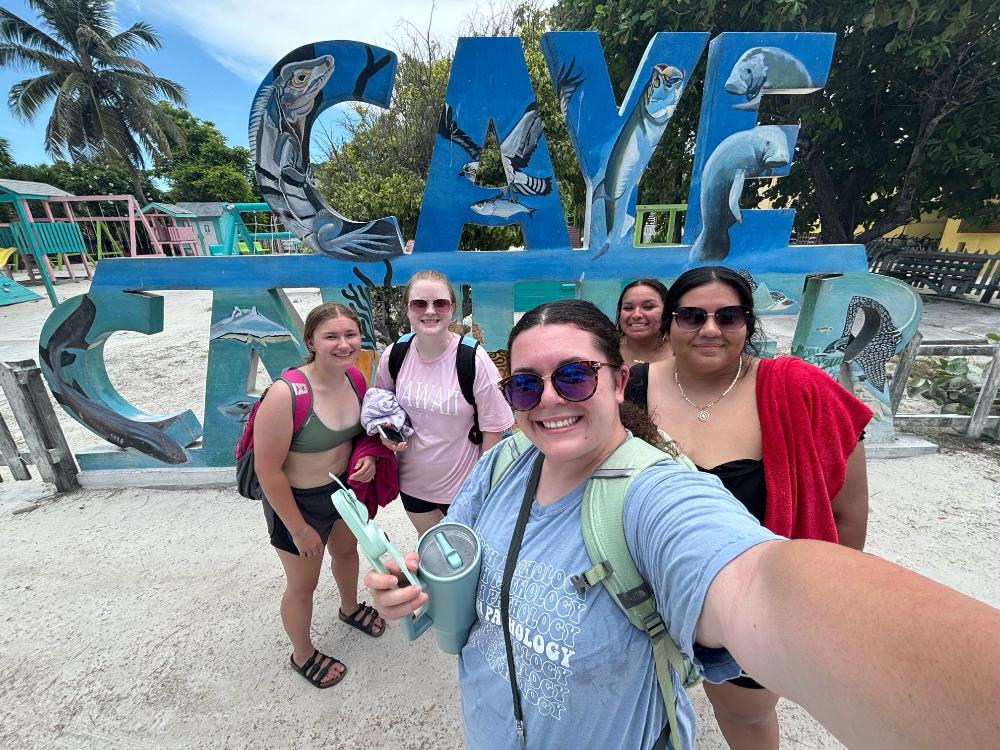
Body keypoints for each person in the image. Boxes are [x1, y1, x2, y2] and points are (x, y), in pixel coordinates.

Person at [364, 299, 1000, 750]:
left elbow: (757, 583)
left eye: (574, 376)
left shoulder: (655, 496)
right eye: (526, 387)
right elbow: (458, 559)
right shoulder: (504, 462)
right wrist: (412, 585)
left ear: (619, 382)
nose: (550, 399)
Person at [624, 266, 871, 748]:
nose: (709, 329)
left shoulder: (797, 389)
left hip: (755, 604)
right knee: (640, 706)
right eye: (691, 316)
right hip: (644, 595)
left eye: (728, 317)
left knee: (745, 715)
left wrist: (818, 604)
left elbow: (846, 514)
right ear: (669, 323)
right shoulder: (630, 388)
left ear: (748, 324)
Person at [253, 303, 386, 689]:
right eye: (331, 336)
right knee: (302, 585)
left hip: (341, 492)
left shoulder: (355, 378)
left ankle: (349, 607)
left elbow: (360, 436)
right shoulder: (286, 394)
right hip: (298, 503)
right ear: (311, 341)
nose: (344, 344)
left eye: (350, 335)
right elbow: (267, 470)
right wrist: (297, 528)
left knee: (347, 552)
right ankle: (302, 654)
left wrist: (367, 460)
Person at [374, 270, 514, 537]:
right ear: (407, 309)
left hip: (464, 491)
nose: (430, 311)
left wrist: (484, 489)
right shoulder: (395, 355)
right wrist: (386, 434)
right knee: (432, 554)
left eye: (439, 303)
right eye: (419, 304)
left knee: (467, 558)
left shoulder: (473, 360)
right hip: (412, 486)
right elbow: (382, 407)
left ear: (452, 309)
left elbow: (494, 430)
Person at [617, 278, 672, 366]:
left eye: (648, 307)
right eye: (628, 308)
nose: (636, 315)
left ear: (666, 310)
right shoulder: (604, 349)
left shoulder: (681, 352)